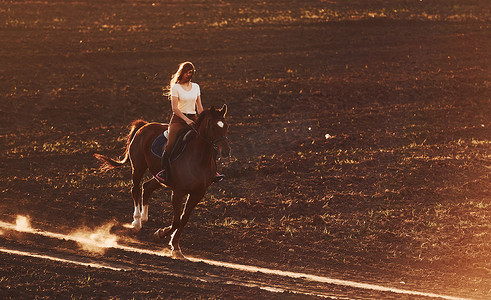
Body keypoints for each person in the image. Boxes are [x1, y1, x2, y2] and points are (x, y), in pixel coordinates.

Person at [155, 62, 224, 184]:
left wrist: (204, 118)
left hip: (194, 118)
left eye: (191, 72)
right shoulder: (176, 87)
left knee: (210, 141)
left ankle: (213, 172)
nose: (189, 75)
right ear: (182, 72)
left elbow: (199, 107)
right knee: (170, 145)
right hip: (178, 119)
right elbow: (175, 109)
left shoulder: (196, 87)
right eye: (187, 72)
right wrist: (186, 120)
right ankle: (164, 172)